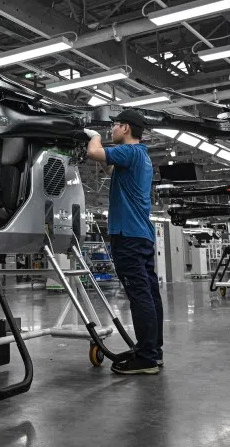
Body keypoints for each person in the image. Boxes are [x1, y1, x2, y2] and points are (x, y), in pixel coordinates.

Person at [85, 109, 162, 375]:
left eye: (115, 126)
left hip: (128, 236)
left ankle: (147, 358)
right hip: (141, 235)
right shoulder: (140, 157)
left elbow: (94, 152)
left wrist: (92, 135)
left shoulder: (130, 152)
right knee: (149, 294)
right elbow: (108, 166)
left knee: (139, 295)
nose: (111, 130)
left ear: (126, 128)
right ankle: (152, 350)